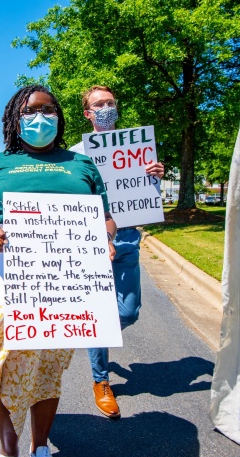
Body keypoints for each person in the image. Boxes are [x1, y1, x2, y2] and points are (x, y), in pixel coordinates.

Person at [0, 85, 117, 457]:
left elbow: (106, 218)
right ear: (16, 119)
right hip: (8, 282)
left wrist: (104, 239)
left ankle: (41, 446)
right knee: (8, 367)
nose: (40, 117)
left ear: (60, 117)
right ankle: (9, 448)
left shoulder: (81, 165)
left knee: (48, 369)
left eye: (49, 110)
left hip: (69, 287)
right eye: (31, 111)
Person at [68, 85, 165, 419]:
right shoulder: (76, 154)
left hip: (126, 240)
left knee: (128, 312)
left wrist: (156, 176)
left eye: (110, 103)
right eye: (99, 104)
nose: (106, 108)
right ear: (87, 113)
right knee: (100, 315)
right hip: (92, 243)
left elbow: (146, 196)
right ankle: (101, 379)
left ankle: (94, 332)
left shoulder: (136, 147)